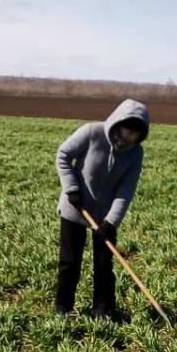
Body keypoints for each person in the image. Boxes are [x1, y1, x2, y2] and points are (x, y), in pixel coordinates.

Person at [54, 98, 150, 318]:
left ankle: (103, 311)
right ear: (118, 124)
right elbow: (63, 156)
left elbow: (126, 190)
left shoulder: (136, 153)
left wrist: (111, 222)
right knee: (70, 262)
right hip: (75, 207)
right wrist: (72, 189)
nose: (129, 139)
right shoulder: (91, 132)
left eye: (135, 136)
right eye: (127, 132)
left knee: (104, 265)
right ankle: (63, 308)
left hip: (105, 215)